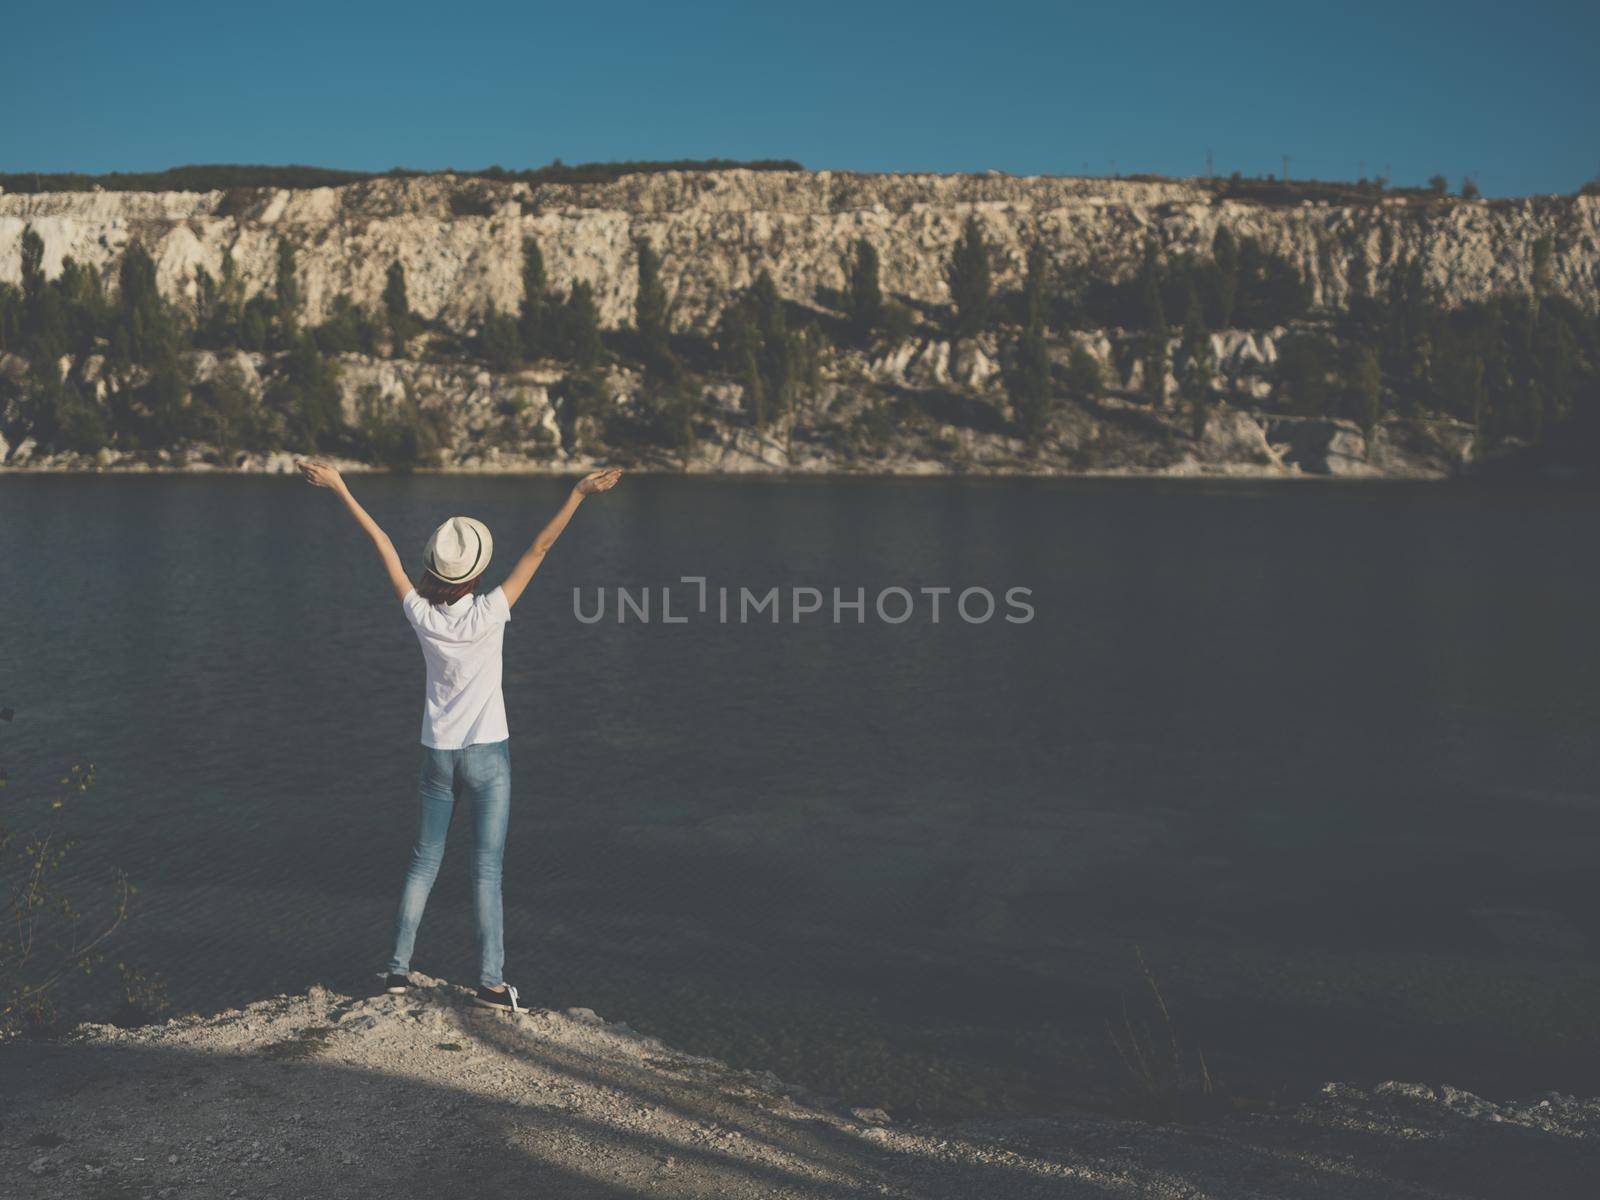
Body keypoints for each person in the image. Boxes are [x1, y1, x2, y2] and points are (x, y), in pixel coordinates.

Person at [296, 458, 623, 1012]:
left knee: (424, 861)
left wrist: (341, 488)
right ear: (474, 574)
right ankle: (492, 985)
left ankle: (397, 973)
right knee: (487, 868)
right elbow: (539, 550)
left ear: (435, 570)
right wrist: (578, 492)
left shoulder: (421, 615)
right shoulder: (491, 611)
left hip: (437, 757)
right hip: (488, 754)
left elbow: (382, 546)